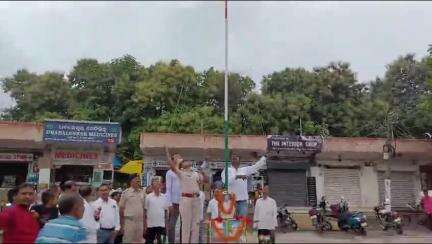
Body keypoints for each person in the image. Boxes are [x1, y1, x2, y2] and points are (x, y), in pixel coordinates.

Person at [166, 146, 206, 243]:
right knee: (186, 225)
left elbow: (205, 181)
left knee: (195, 224)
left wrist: (202, 170)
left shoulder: (195, 173)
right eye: (184, 160)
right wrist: (168, 153)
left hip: (196, 199)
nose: (186, 161)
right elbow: (172, 166)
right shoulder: (180, 172)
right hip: (185, 200)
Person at [119, 174, 146, 243]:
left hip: (140, 222)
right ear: (131, 181)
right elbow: (121, 209)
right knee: (128, 241)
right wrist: (122, 225)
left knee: (139, 241)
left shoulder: (142, 193)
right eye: (136, 179)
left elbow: (143, 209)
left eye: (139, 180)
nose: (138, 181)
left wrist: (145, 224)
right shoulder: (126, 193)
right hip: (129, 222)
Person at [144, 176, 170, 244]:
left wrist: (166, 227)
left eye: (159, 184)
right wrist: (145, 225)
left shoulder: (164, 197)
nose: (158, 186)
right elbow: (145, 212)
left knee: (161, 242)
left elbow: (166, 213)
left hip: (161, 225)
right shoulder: (148, 197)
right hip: (150, 225)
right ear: (152, 186)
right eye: (156, 184)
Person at [165, 163, 181, 243]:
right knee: (171, 225)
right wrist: (169, 203)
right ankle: (171, 242)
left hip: (184, 202)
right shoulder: (169, 172)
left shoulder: (182, 171)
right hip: (174, 203)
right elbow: (168, 189)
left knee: (184, 225)